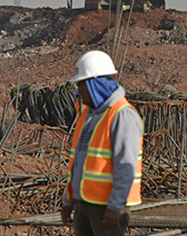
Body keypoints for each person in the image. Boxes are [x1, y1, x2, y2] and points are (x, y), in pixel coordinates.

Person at [61, 50, 144, 236]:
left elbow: (126, 165)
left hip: (107, 208)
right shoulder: (87, 116)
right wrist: (69, 200)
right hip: (84, 203)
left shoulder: (122, 115)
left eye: (82, 84)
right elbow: (78, 163)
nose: (79, 91)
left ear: (95, 84)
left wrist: (115, 206)